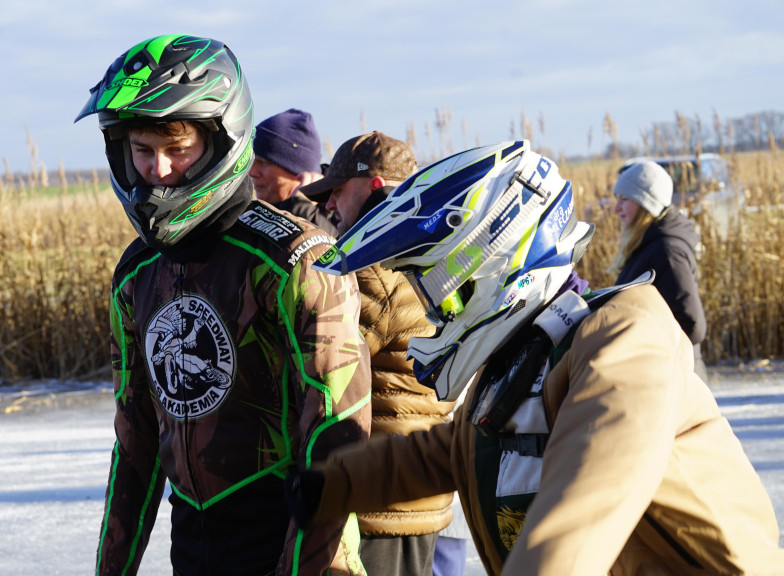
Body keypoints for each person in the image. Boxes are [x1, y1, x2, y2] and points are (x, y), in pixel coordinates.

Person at [286, 140, 784, 575]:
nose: (434, 312)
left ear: (485, 268)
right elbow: (448, 453)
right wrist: (325, 488)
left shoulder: (626, 346)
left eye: (433, 289)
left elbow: (584, 503)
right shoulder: (520, 360)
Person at [74, 35, 372, 576]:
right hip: (191, 548)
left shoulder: (295, 263)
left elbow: (338, 435)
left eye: (176, 149)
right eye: (141, 150)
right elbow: (135, 437)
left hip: (298, 546)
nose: (156, 170)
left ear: (222, 140)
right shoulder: (137, 274)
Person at [298, 131, 467, 576]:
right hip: (420, 486)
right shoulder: (440, 254)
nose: (328, 207)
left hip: (381, 500)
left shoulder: (377, 267)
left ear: (374, 186)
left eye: (336, 192)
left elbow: (326, 363)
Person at [608, 160, 709, 382]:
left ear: (647, 203)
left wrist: (639, 341)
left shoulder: (667, 251)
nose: (616, 208)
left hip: (678, 377)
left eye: (624, 200)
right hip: (662, 374)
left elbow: (692, 325)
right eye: (617, 199)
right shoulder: (646, 246)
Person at [250, 108, 338, 235]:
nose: (252, 172)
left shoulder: (344, 213)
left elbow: (341, 251)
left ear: (299, 173)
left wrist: (300, 210)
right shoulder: (249, 215)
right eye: (252, 161)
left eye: (263, 163)